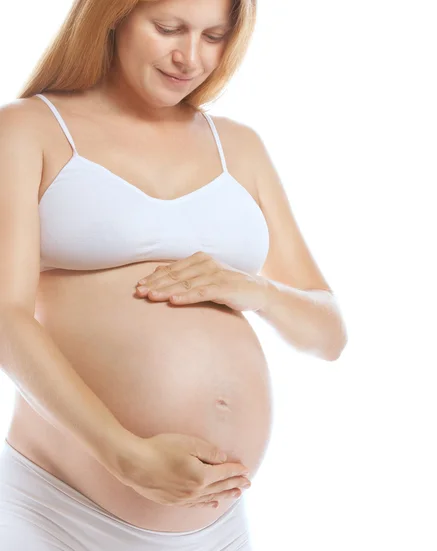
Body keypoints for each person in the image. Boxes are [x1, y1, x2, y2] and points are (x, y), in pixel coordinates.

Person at [0, 0, 347, 548]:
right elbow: (5, 317)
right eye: (169, 29)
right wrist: (123, 454)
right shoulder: (29, 128)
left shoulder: (238, 146)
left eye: (214, 36)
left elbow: (329, 334)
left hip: (219, 525)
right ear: (111, 17)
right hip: (63, 514)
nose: (190, 57)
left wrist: (254, 290)